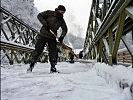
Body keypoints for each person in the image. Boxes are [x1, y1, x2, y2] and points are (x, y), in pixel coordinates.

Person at [27, 5, 68, 72]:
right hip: (43, 34)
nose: (62, 13)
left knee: (53, 52)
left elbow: (65, 29)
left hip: (52, 37)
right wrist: (45, 23)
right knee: (38, 50)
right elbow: (39, 16)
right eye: (62, 11)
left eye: (63, 12)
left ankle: (53, 67)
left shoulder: (61, 20)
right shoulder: (49, 13)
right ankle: (31, 65)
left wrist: (62, 37)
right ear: (58, 10)